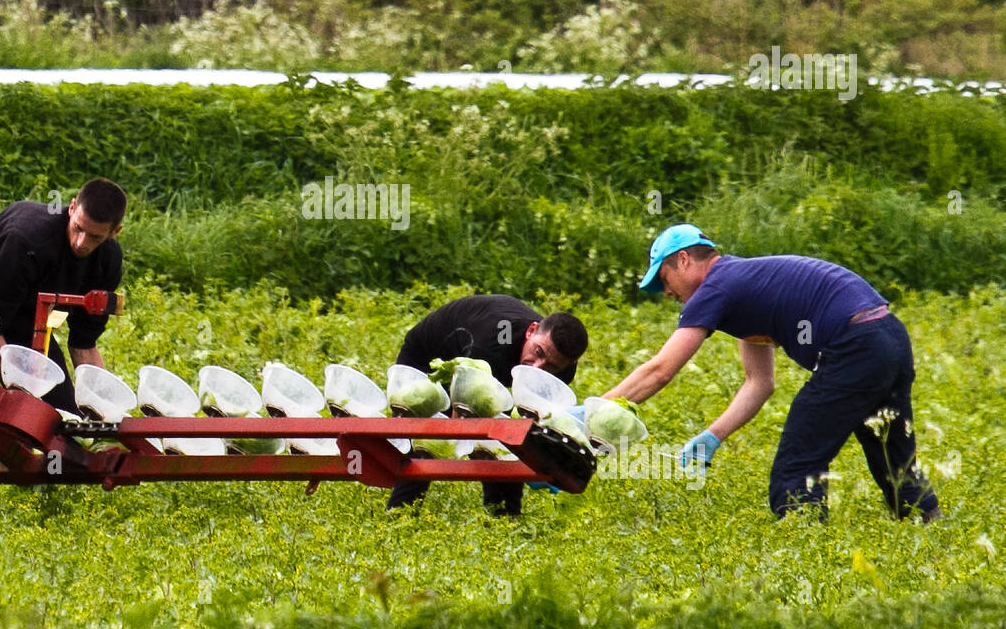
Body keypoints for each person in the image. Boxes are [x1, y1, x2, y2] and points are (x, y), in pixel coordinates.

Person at [603, 223, 941, 522]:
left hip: (856, 344)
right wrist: (713, 435)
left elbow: (661, 370)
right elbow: (759, 383)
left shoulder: (717, 287)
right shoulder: (743, 286)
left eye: (664, 280)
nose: (667, 292)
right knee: (890, 451)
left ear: (684, 261)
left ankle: (804, 539)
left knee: (796, 465)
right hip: (889, 338)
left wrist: (596, 409)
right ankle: (926, 522)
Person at [0, 179, 125, 417]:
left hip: (28, 325)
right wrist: (22, 394)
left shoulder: (107, 262)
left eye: (94, 237)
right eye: (78, 228)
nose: (81, 243)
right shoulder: (26, 239)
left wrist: (103, 411)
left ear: (114, 232)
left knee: (63, 420)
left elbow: (83, 343)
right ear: (72, 207)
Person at [388, 294, 589, 516]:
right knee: (428, 440)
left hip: (491, 369)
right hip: (428, 357)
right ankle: (400, 514)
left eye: (550, 366)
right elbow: (459, 419)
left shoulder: (563, 370)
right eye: (538, 352)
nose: (537, 368)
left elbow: (533, 417)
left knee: (509, 440)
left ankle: (504, 519)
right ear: (531, 331)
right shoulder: (493, 341)